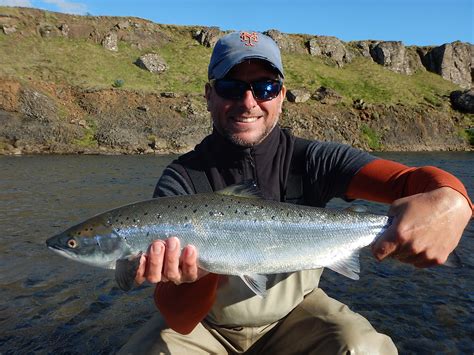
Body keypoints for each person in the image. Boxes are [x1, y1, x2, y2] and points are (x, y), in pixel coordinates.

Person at [119, 31, 473, 354]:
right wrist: (192, 278)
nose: (248, 101)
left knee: (363, 347)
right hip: (204, 326)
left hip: (295, 315)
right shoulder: (181, 179)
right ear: (209, 94)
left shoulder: (315, 159)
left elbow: (411, 181)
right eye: (230, 87)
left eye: (265, 88)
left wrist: (453, 201)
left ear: (282, 96)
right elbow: (180, 319)